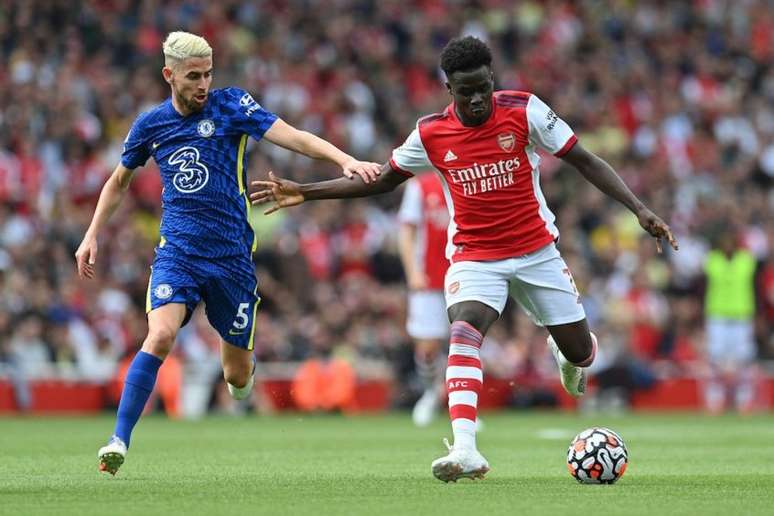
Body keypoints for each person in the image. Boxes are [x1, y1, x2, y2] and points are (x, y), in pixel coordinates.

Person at [251, 36, 678, 482]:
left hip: (537, 251)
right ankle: (466, 449)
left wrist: (640, 209)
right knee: (463, 330)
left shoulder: (525, 110)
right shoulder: (431, 134)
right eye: (465, 90)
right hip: (476, 257)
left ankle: (567, 354)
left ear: (491, 79)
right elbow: (382, 181)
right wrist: (307, 190)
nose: (476, 99)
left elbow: (585, 161)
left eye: (482, 87)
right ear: (448, 89)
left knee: (582, 353)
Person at [74, 31, 381, 476]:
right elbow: (118, 182)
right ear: (169, 75)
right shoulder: (151, 125)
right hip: (178, 251)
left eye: (208, 74)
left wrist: (345, 160)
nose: (203, 83)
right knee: (160, 335)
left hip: (232, 258)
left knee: (236, 376)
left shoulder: (231, 105)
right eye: (193, 76)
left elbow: (291, 135)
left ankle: (243, 374)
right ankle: (118, 439)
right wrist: (91, 234)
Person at [397, 172, 450, 426]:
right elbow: (406, 231)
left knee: (465, 342)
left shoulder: (466, 175)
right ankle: (431, 393)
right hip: (427, 278)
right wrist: (413, 272)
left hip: (463, 273)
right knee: (428, 348)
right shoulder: (420, 185)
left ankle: (460, 405)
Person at [702, 230, 758, 413]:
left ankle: (743, 401)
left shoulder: (746, 259)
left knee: (743, 359)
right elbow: (723, 276)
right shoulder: (713, 259)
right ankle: (715, 400)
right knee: (715, 358)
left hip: (741, 315)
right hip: (718, 315)